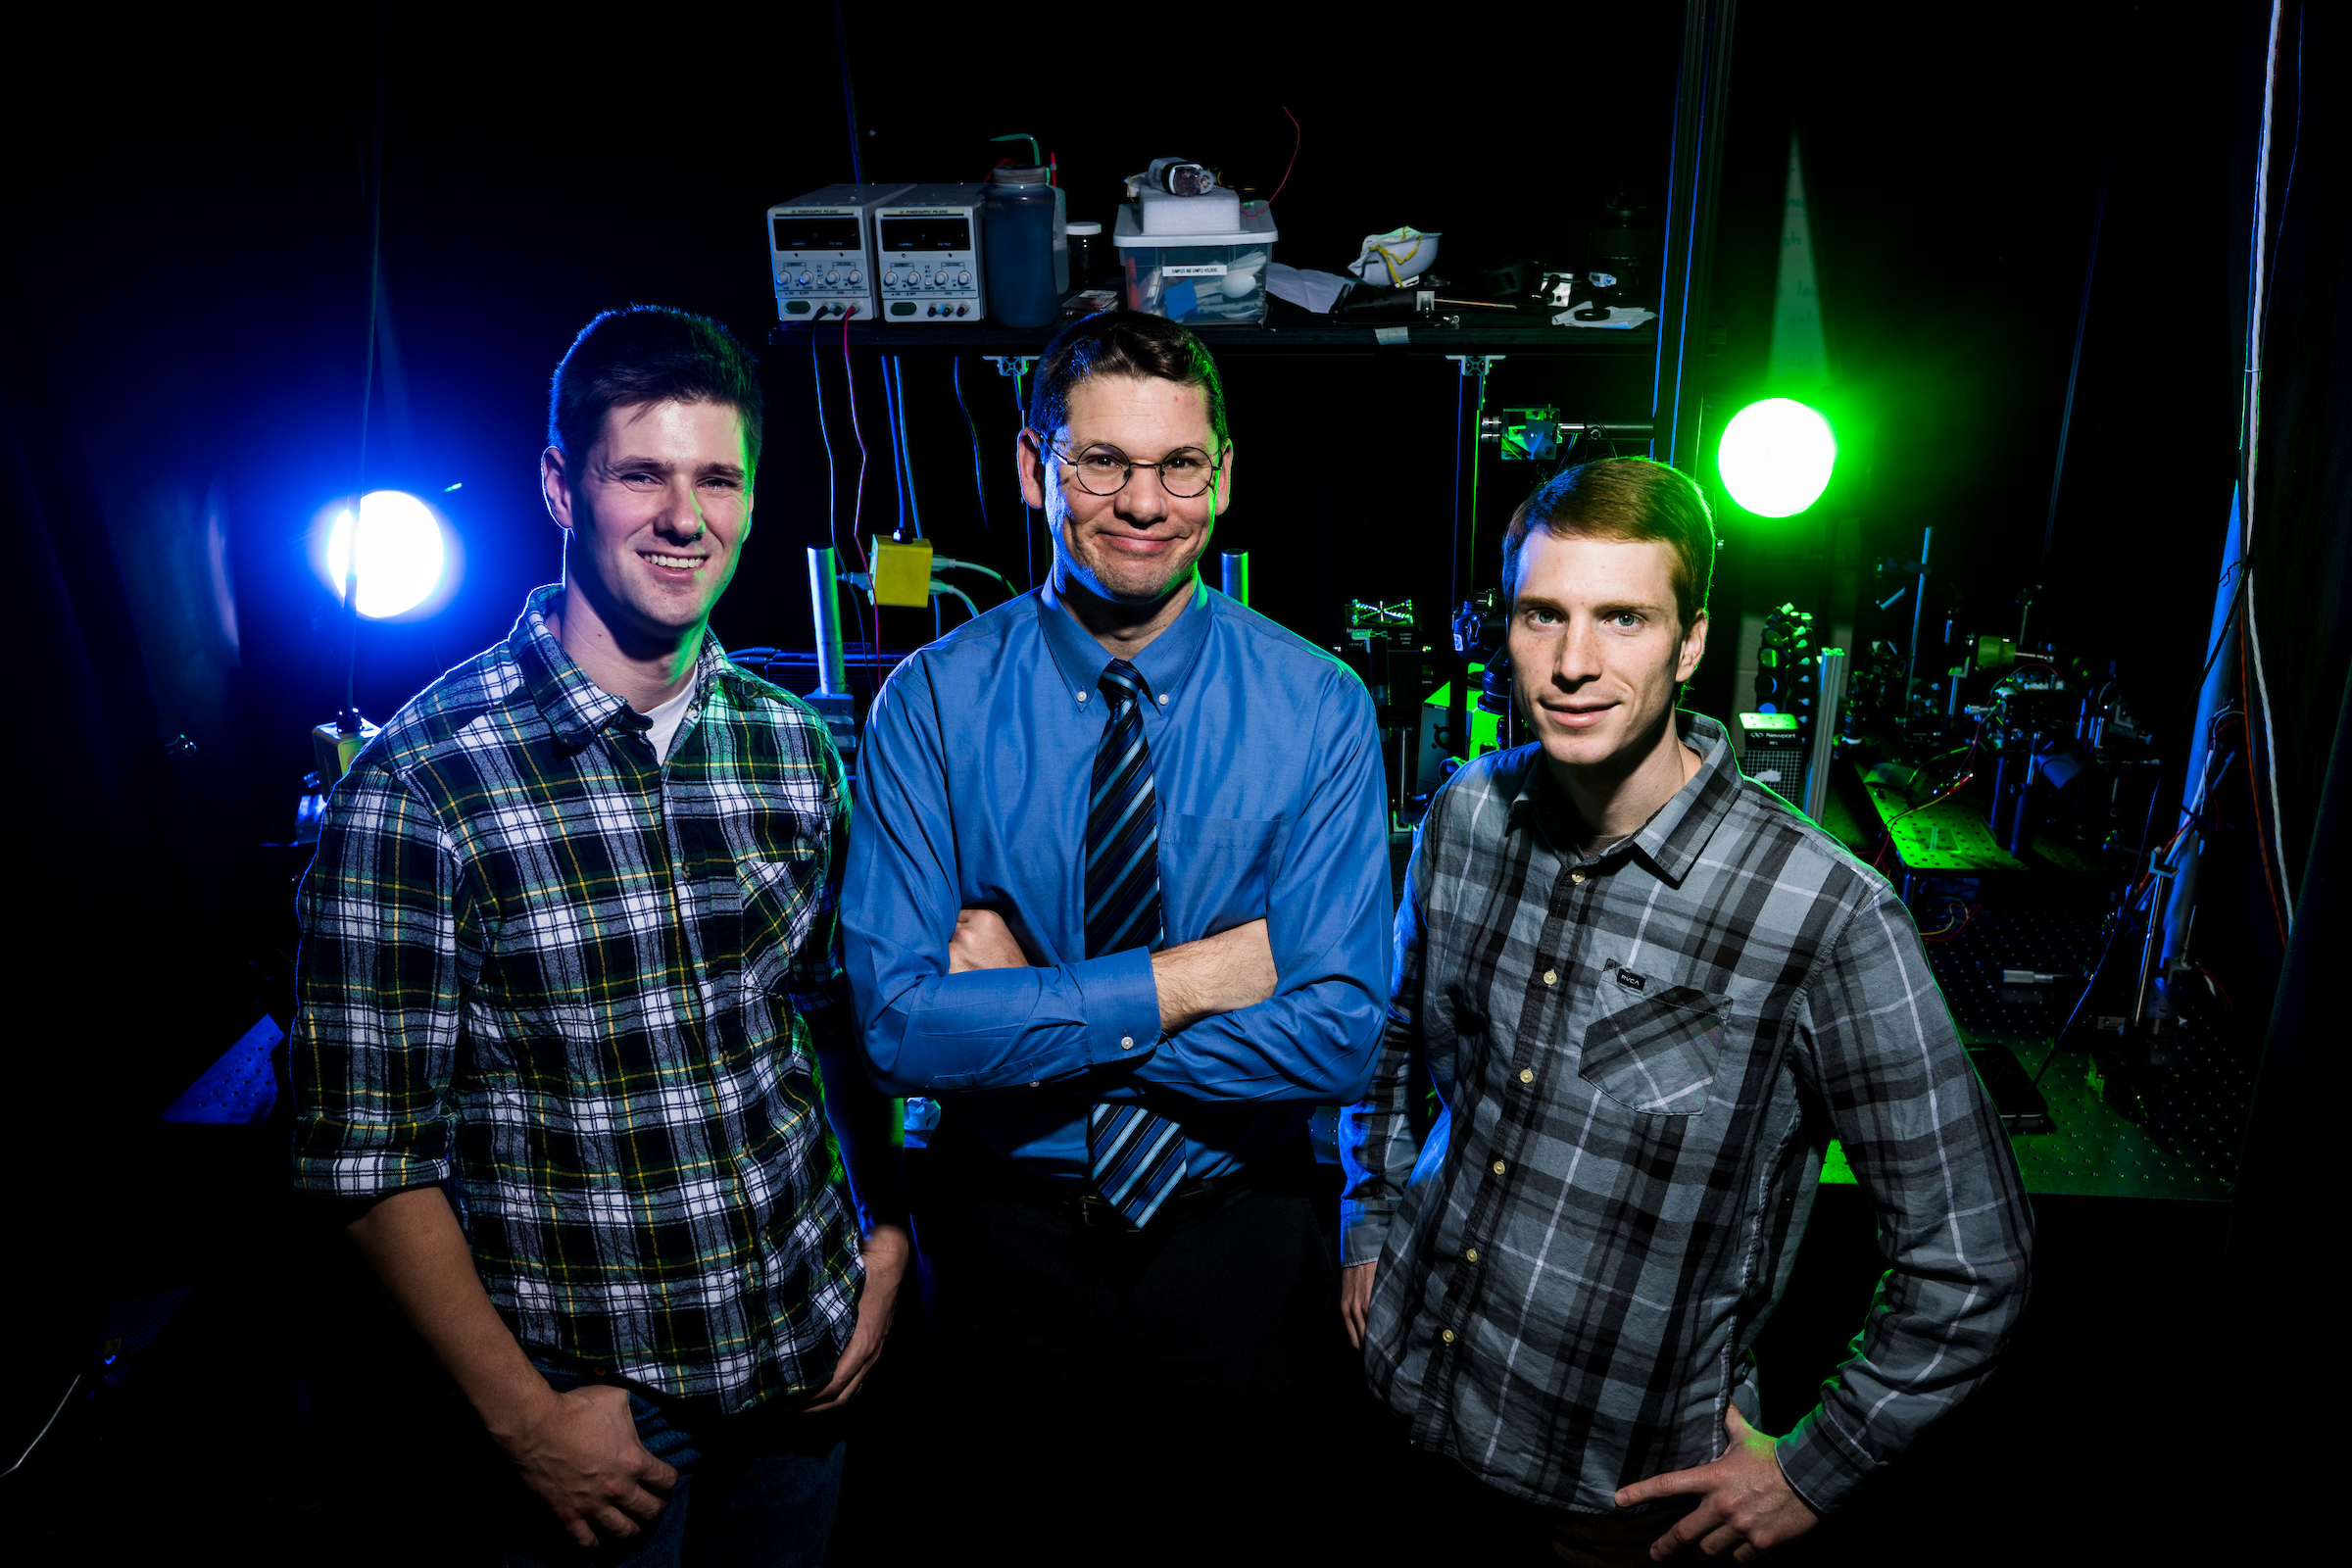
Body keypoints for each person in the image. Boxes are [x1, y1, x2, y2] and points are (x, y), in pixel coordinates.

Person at [290, 306, 907, 1566]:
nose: (686, 517)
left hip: (800, 1370)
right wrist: (522, 1419)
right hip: (602, 1417)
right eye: (642, 473)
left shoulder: (792, 745)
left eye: (717, 477)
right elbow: (362, 1161)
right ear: (561, 484)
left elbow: (839, 1029)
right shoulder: (422, 783)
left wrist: (888, 1238)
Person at [1339, 459, 2033, 1564]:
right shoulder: (1467, 815)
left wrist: (1815, 1466)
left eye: (1623, 618)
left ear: (1691, 642)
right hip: (1404, 1413)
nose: (1574, 662)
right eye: (1542, 614)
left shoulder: (1822, 912)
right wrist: (1370, 1215)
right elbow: (1389, 1046)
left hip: (1612, 1508)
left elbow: (1973, 1255)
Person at [841, 311, 1393, 1551]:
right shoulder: (929, 703)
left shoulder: (1318, 709)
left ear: (1225, 475)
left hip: (1239, 1250)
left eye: (1179, 465)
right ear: (1035, 468)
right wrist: (1196, 976)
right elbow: (895, 1028)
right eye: (1101, 462)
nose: (1143, 501)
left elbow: (1346, 1035)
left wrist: (1033, 1006)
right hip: (999, 1252)